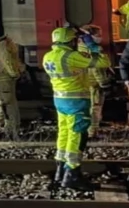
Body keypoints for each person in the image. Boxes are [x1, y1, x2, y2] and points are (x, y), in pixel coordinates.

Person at [42, 27, 98, 191]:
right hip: (76, 100)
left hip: (60, 99)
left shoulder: (48, 56)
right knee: (77, 134)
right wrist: (92, 46)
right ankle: (72, 173)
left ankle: (60, 170)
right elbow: (103, 62)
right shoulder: (71, 56)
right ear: (71, 41)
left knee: (64, 132)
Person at [0, 25, 24, 139]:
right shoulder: (5, 43)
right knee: (3, 100)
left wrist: (13, 74)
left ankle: (11, 131)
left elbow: (7, 62)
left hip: (4, 78)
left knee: (8, 104)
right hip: (4, 78)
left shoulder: (1, 47)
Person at [76, 24, 113, 137]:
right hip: (94, 84)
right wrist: (105, 84)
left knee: (86, 107)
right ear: (90, 36)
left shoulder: (80, 49)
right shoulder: (93, 51)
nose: (100, 37)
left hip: (84, 83)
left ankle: (86, 130)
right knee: (95, 107)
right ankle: (92, 131)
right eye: (98, 35)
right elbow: (97, 69)